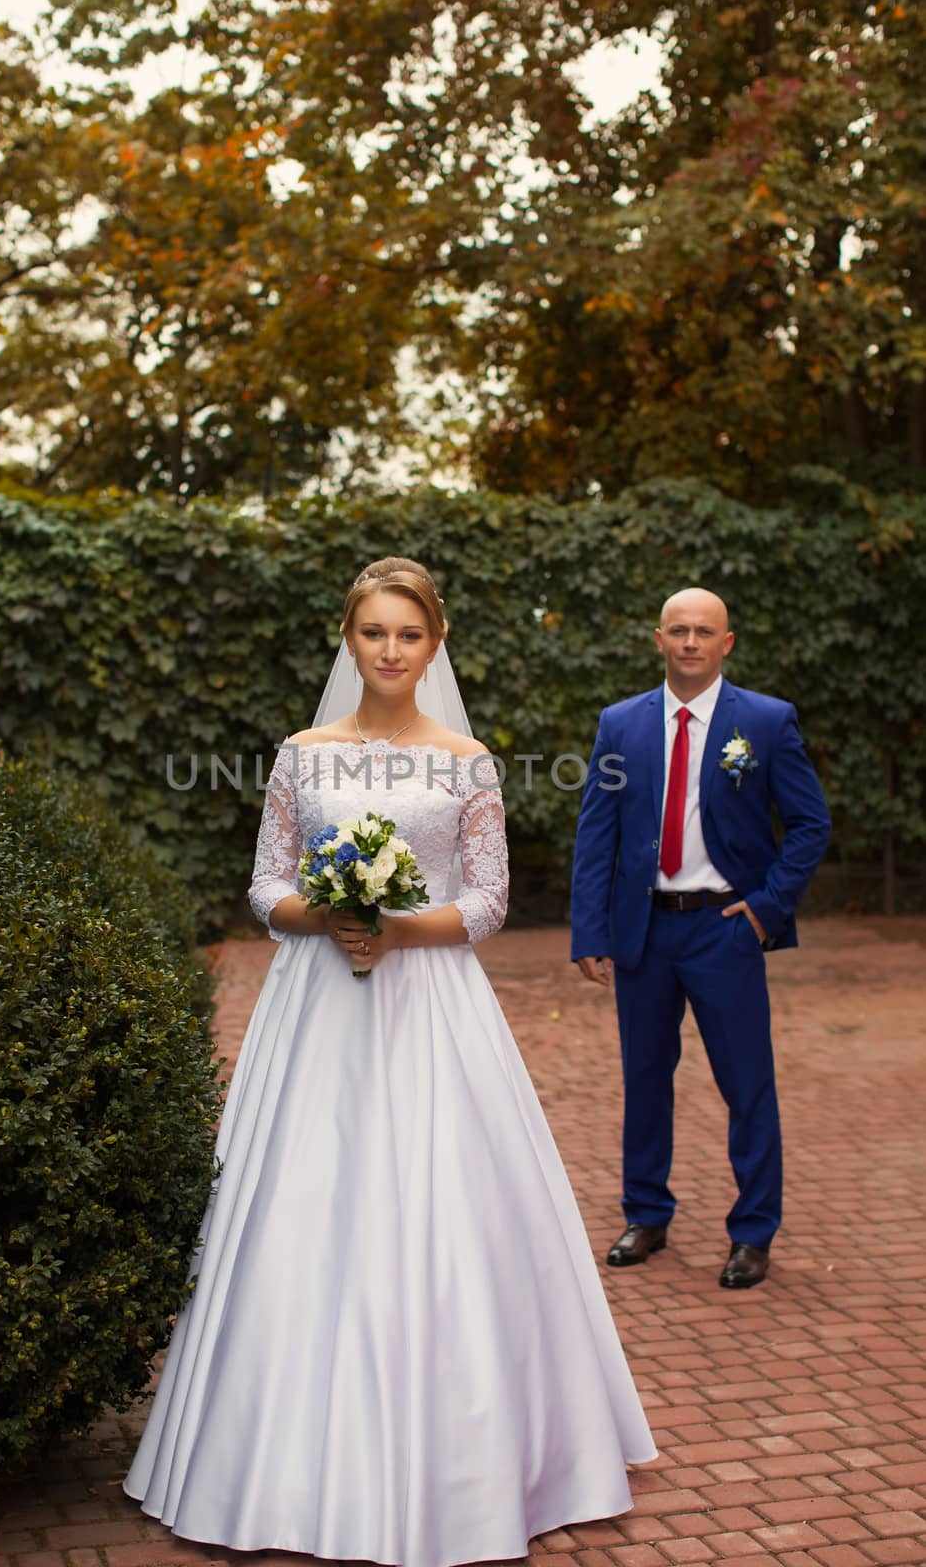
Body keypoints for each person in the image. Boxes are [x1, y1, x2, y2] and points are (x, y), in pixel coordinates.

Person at [125, 557, 655, 1567]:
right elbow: (264, 888)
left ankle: (476, 1459)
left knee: (445, 1209)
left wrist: (397, 928)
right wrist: (328, 916)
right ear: (347, 637)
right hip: (317, 1009)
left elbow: (490, 901)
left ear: (434, 642)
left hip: (430, 1013)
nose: (389, 651)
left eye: (407, 634)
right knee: (300, 1207)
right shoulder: (300, 756)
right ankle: (266, 1465)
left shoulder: (468, 762)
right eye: (371, 632)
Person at [570, 587, 831, 1290]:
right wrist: (589, 929)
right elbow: (596, 832)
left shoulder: (767, 723)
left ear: (726, 643)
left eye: (703, 632)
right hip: (644, 931)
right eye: (677, 630)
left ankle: (752, 1232)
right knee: (644, 1080)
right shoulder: (620, 725)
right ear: (657, 638)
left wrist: (765, 908)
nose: (689, 642)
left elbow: (809, 825)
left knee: (746, 1086)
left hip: (724, 929)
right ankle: (645, 1214)